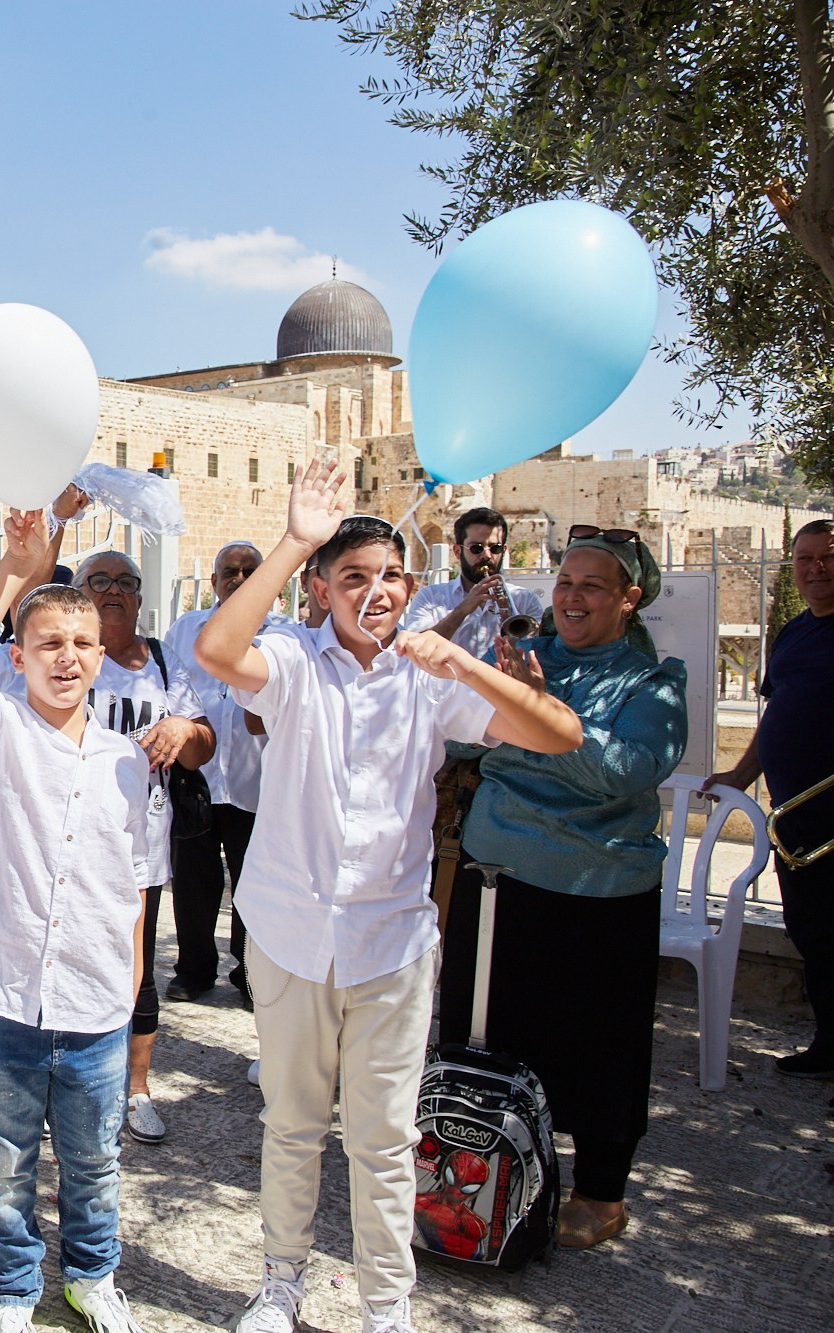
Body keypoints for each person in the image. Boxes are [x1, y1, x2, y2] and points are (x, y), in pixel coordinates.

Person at [195, 459, 581, 1333]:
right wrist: (295, 539)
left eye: (389, 577)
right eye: (353, 577)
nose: (374, 593)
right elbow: (217, 650)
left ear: (410, 586)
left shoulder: (430, 677)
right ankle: (280, 1283)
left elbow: (561, 735)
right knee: (293, 1124)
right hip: (293, 932)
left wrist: (467, 666)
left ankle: (384, 1305)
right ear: (323, 590)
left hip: (393, 945)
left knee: (383, 1139)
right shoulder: (293, 661)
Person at [438, 526, 687, 1251]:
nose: (571, 598)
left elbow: (625, 771)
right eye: (565, 583)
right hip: (500, 884)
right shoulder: (523, 655)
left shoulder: (654, 683)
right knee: (491, 1038)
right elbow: (460, 738)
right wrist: (524, 716)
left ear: (629, 599)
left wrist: (542, 722)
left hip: (601, 896)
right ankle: (480, 1163)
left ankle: (603, 1191)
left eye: (592, 586)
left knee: (600, 1049)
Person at [0, 509, 152, 1333]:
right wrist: (15, 570)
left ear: (104, 657)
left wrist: (131, 975)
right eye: (48, 642)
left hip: (95, 996)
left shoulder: (127, 762)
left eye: (82, 644)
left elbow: (134, 878)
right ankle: (13, 1288)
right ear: (17, 655)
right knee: (3, 1155)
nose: (66, 657)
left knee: (95, 1158)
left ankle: (92, 1275)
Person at [72, 550, 214, 1147]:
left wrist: (185, 730)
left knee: (136, 973)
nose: (112, 591)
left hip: (141, 842)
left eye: (124, 583)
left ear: (139, 596)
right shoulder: (68, 655)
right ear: (78, 592)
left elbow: (203, 748)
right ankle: (71, 1088)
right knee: (68, 965)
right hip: (70, 839)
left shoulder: (162, 661)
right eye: (97, 581)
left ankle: (136, 1089)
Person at [709, 516, 834, 1077]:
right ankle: (829, 1047)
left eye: (827, 557)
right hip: (797, 822)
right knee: (813, 936)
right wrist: (739, 775)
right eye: (805, 559)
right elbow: (776, 715)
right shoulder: (793, 632)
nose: (815, 570)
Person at [160, 543, 288, 1005]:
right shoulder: (185, 631)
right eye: (229, 571)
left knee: (255, 886)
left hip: (259, 782)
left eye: (250, 571)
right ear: (213, 581)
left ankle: (250, 973)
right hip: (199, 778)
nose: (238, 578)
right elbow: (169, 689)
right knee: (193, 883)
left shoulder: (284, 637)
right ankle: (193, 970)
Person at [403, 507, 543, 654]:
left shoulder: (524, 599)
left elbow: (537, 651)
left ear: (504, 551)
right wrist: (462, 610)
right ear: (457, 551)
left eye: (495, 548)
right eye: (476, 548)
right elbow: (416, 648)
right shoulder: (429, 597)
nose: (486, 555)